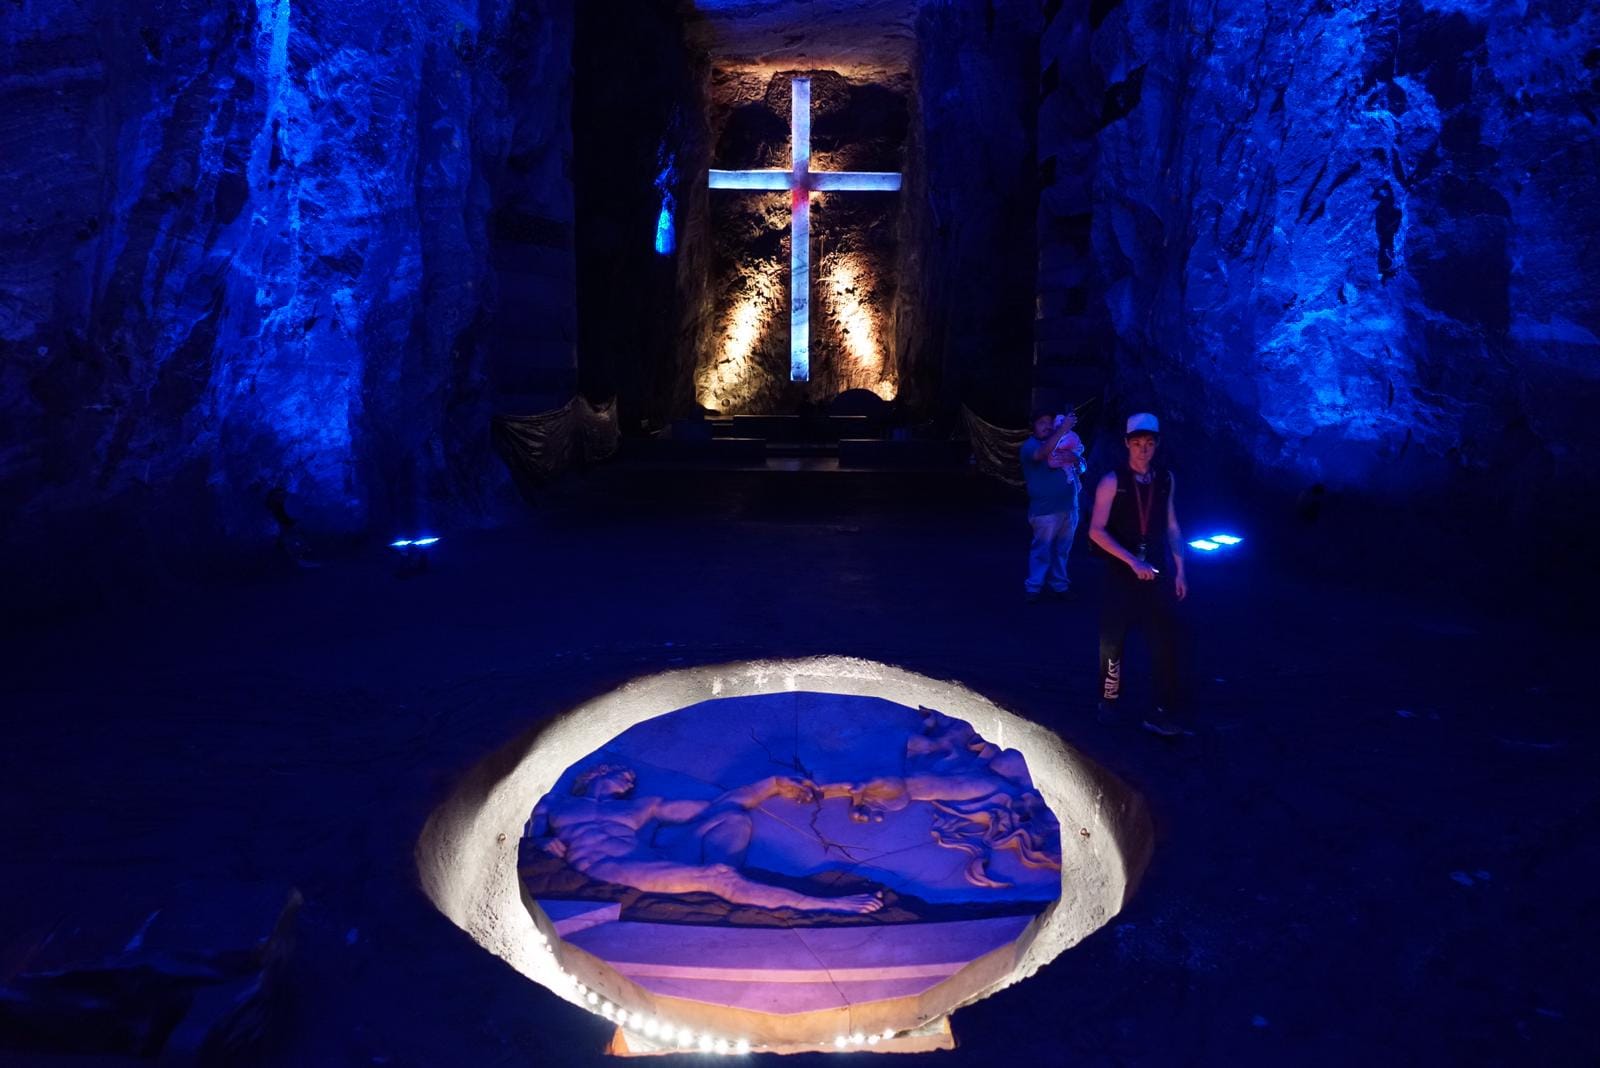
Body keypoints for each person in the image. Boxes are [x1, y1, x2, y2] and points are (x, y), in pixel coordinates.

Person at [529, 764, 884, 913]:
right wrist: (542, 843)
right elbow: (527, 838)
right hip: (606, 867)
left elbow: (718, 806)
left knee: (731, 816)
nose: (629, 781)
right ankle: (827, 905)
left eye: (631, 779)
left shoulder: (641, 805)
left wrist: (772, 785)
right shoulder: (555, 802)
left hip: (652, 859)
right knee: (718, 876)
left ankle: (727, 885)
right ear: (598, 773)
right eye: (624, 775)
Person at [1087, 413, 1189, 736]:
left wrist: (1180, 570)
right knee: (1113, 639)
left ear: (1157, 444)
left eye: (1149, 443)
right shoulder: (1112, 481)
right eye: (1137, 443)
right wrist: (1132, 561)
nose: (1143, 450)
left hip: (1155, 569)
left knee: (1164, 639)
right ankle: (1108, 701)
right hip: (1122, 569)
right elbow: (1096, 531)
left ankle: (1160, 710)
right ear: (1126, 444)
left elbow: (1172, 526)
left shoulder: (1166, 480)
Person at [1019, 408, 1086, 602]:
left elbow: (1082, 467)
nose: (1047, 426)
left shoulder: (1065, 441)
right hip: (1045, 510)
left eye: (1050, 422)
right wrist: (1063, 429)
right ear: (1033, 427)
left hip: (1070, 507)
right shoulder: (1030, 446)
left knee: (1063, 550)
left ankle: (1060, 585)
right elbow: (1041, 454)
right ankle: (1034, 587)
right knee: (1042, 550)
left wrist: (1077, 459)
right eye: (1041, 423)